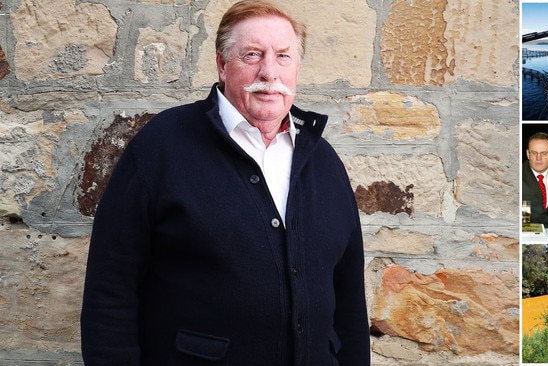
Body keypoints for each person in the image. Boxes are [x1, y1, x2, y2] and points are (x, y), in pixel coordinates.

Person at [80, 1, 370, 365]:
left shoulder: (323, 161)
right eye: (252, 54)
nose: (269, 71)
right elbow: (110, 291)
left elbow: (349, 305)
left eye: (283, 56)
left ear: (296, 67)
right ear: (222, 64)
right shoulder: (162, 147)